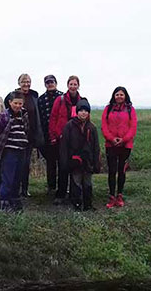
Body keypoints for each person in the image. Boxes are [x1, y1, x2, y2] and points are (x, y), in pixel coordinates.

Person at [4, 74, 44, 197]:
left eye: (28, 81)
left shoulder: (34, 96)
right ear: (18, 83)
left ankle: (24, 189)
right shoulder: (12, 96)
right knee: (15, 164)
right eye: (23, 82)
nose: (26, 84)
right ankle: (13, 189)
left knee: (25, 164)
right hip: (14, 135)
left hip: (29, 135)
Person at [0, 91, 29, 212]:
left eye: (20, 103)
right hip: (9, 151)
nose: (17, 106)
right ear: (10, 102)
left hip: (21, 150)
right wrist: (0, 148)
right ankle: (4, 203)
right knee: (8, 178)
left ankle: (15, 200)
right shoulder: (4, 116)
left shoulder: (24, 115)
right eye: (15, 103)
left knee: (18, 177)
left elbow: (26, 130)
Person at [60, 98, 100, 211]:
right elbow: (64, 146)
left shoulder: (92, 127)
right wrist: (65, 162)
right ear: (77, 112)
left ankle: (88, 204)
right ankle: (76, 204)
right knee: (76, 182)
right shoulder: (69, 126)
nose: (83, 113)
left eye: (86, 111)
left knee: (87, 183)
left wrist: (96, 162)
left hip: (88, 161)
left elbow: (96, 147)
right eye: (81, 110)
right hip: (74, 160)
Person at [101, 86, 137, 208]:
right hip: (111, 145)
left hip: (125, 145)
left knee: (121, 170)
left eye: (121, 94)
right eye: (117, 94)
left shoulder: (130, 109)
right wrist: (111, 139)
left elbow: (133, 127)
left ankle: (119, 195)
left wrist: (124, 139)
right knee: (112, 171)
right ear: (113, 96)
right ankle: (111, 196)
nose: (119, 97)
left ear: (125, 96)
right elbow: (104, 126)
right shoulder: (108, 108)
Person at [49, 75, 81, 203]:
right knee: (63, 166)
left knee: (75, 166)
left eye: (75, 84)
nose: (73, 86)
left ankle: (74, 194)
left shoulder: (81, 101)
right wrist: (54, 135)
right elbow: (53, 118)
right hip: (62, 138)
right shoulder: (60, 99)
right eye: (71, 84)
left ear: (78, 85)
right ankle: (60, 194)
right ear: (67, 85)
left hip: (77, 139)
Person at [38, 75, 63, 195]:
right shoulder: (41, 99)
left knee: (63, 162)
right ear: (45, 84)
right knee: (50, 163)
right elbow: (40, 119)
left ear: (56, 83)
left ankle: (63, 187)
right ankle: (51, 187)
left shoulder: (63, 97)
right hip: (47, 136)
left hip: (62, 136)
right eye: (47, 83)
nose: (50, 84)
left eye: (52, 82)